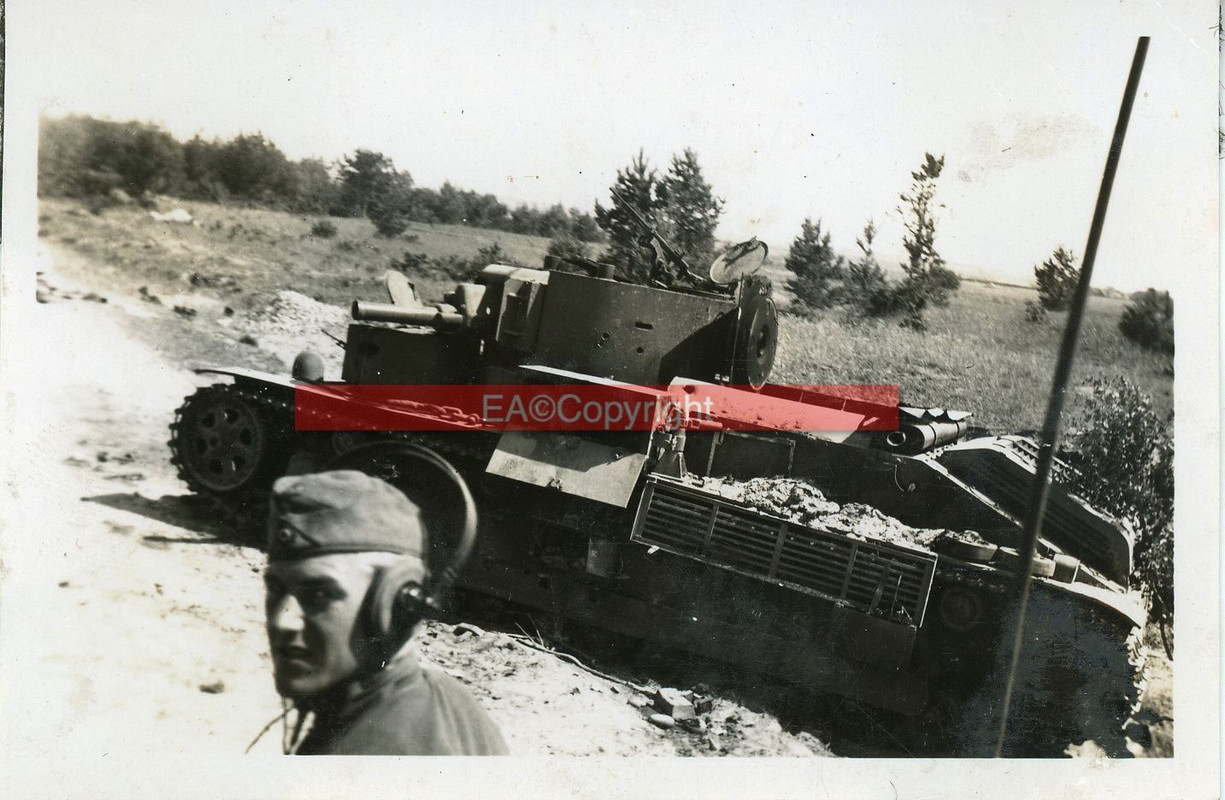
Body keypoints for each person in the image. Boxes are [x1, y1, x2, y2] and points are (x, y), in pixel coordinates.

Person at [262, 470, 507, 755]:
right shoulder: (452, 699)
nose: (282, 621)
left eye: (318, 595)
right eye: (276, 590)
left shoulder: (357, 760)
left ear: (392, 604)